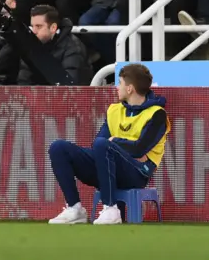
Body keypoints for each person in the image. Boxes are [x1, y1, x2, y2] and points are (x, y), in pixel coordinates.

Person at [48, 63, 170, 225]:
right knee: (59, 148)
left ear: (130, 89)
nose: (116, 87)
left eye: (119, 83)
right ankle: (75, 208)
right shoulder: (114, 109)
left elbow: (139, 149)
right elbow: (100, 143)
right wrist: (117, 146)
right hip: (107, 166)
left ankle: (111, 208)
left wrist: (115, 142)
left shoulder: (157, 115)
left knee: (104, 145)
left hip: (136, 173)